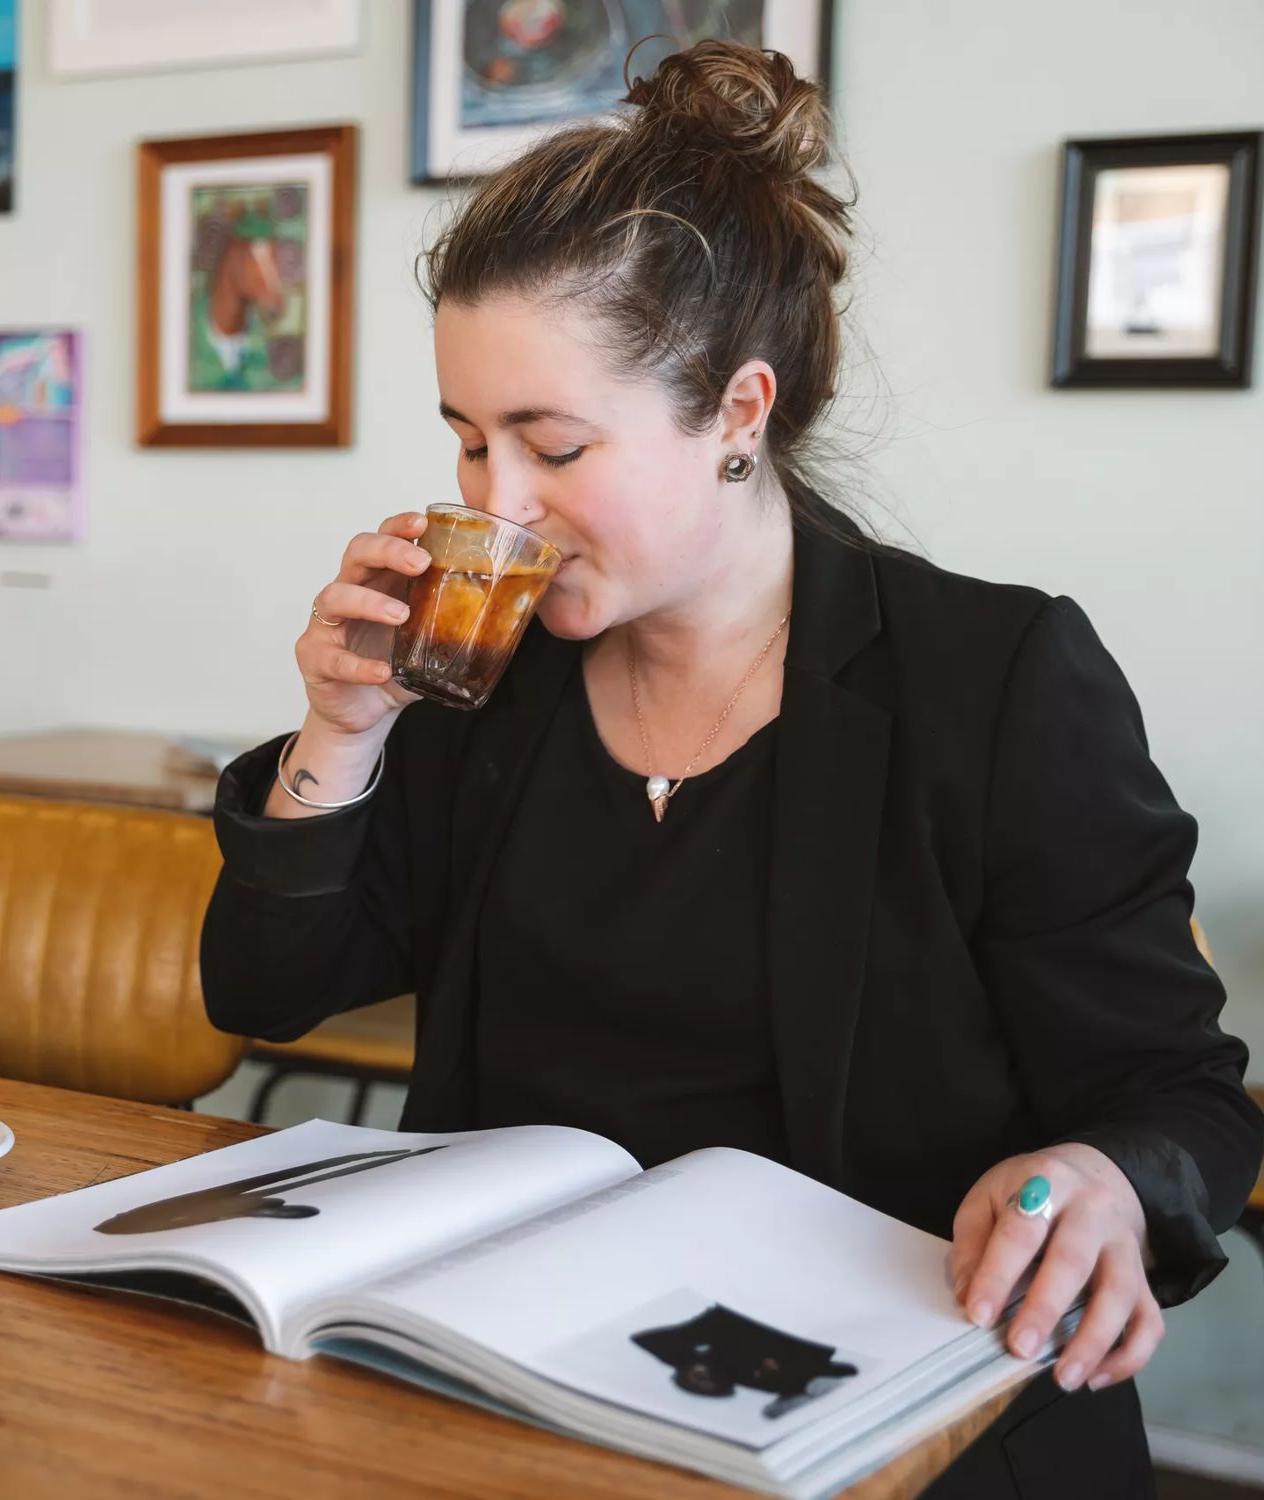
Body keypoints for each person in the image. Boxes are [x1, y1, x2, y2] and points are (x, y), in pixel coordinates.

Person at [199, 40, 1262, 1498]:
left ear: (739, 417)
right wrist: (341, 728)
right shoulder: (484, 676)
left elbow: (1182, 1099)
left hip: (876, 1420)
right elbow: (263, 994)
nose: (493, 507)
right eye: (466, 444)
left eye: (554, 446)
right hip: (509, 1396)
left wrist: (1101, 1183)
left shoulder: (993, 684)